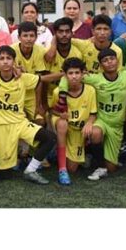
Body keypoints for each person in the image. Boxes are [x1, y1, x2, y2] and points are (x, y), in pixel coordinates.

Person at [0, 46, 57, 185]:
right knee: (4, 176)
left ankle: (31, 170)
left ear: (14, 61)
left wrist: (64, 73)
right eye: (2, 59)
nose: (5, 62)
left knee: (50, 138)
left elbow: (43, 78)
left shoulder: (22, 78)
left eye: (9, 58)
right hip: (1, 128)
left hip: (20, 122)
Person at [79, 49, 126, 181]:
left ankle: (113, 153)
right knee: (95, 132)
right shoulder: (94, 79)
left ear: (117, 60)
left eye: (112, 59)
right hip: (101, 121)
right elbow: (70, 78)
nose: (109, 62)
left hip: (117, 126)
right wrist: (63, 95)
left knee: (112, 168)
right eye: (105, 60)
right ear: (100, 64)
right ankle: (99, 166)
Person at [49, 58, 97, 186]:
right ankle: (62, 170)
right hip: (65, 126)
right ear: (65, 75)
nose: (74, 76)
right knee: (62, 123)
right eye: (70, 73)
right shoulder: (58, 92)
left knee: (73, 168)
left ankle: (61, 153)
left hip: (79, 130)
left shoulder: (90, 90)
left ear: (83, 74)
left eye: (77, 73)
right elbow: (52, 111)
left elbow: (93, 113)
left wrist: (90, 123)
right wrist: (60, 114)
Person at [11, 22, 48, 122]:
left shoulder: (40, 50)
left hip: (32, 94)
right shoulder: (11, 51)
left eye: (32, 36)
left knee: (40, 120)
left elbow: (39, 80)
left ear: (36, 37)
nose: (28, 39)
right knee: (19, 121)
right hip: (16, 93)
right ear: (19, 37)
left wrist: (38, 104)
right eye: (25, 35)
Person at [43, 17, 83, 106]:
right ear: (55, 34)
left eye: (67, 31)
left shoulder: (77, 53)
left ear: (72, 33)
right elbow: (44, 81)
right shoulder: (48, 53)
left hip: (71, 96)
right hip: (50, 96)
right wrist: (44, 105)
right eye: (60, 32)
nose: (64, 35)